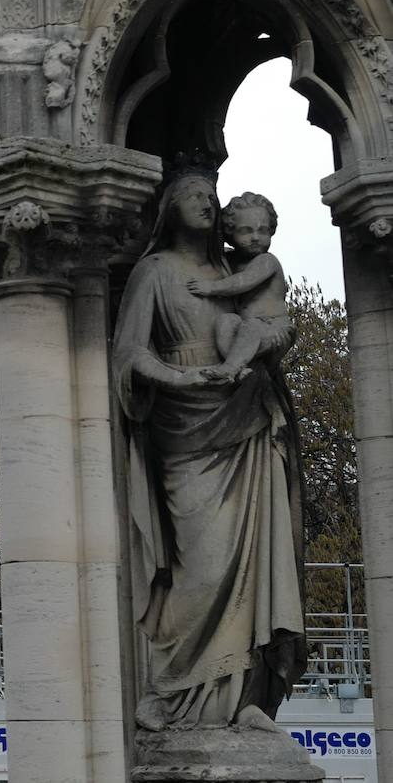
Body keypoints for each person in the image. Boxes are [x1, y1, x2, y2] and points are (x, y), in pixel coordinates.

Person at [112, 169, 305, 732]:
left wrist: (271, 340)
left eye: (209, 194)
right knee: (201, 561)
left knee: (255, 555)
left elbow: (271, 322)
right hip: (185, 423)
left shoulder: (236, 268)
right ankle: (175, 693)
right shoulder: (154, 271)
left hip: (246, 415)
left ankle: (246, 696)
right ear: (169, 208)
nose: (205, 201)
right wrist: (179, 380)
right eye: (191, 194)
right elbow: (129, 354)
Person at [186, 192, 293, 382]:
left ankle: (230, 368)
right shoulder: (230, 260)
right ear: (230, 233)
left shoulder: (267, 261)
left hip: (275, 327)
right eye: (246, 231)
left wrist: (211, 288)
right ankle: (237, 366)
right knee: (225, 321)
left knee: (252, 327)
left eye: (263, 231)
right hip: (247, 330)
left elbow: (243, 281)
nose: (255, 237)